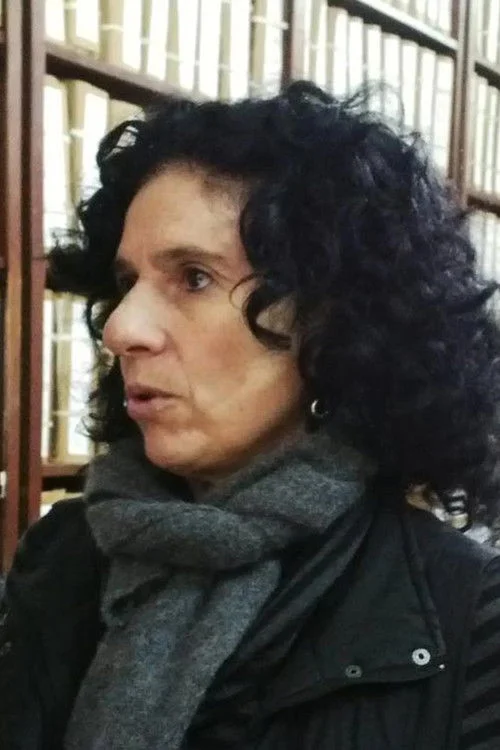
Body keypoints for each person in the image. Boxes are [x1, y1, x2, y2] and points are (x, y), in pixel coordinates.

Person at [1, 81, 500, 750]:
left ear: (333, 322)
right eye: (125, 282)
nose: (122, 328)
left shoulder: (468, 617)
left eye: (194, 277)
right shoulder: (61, 554)